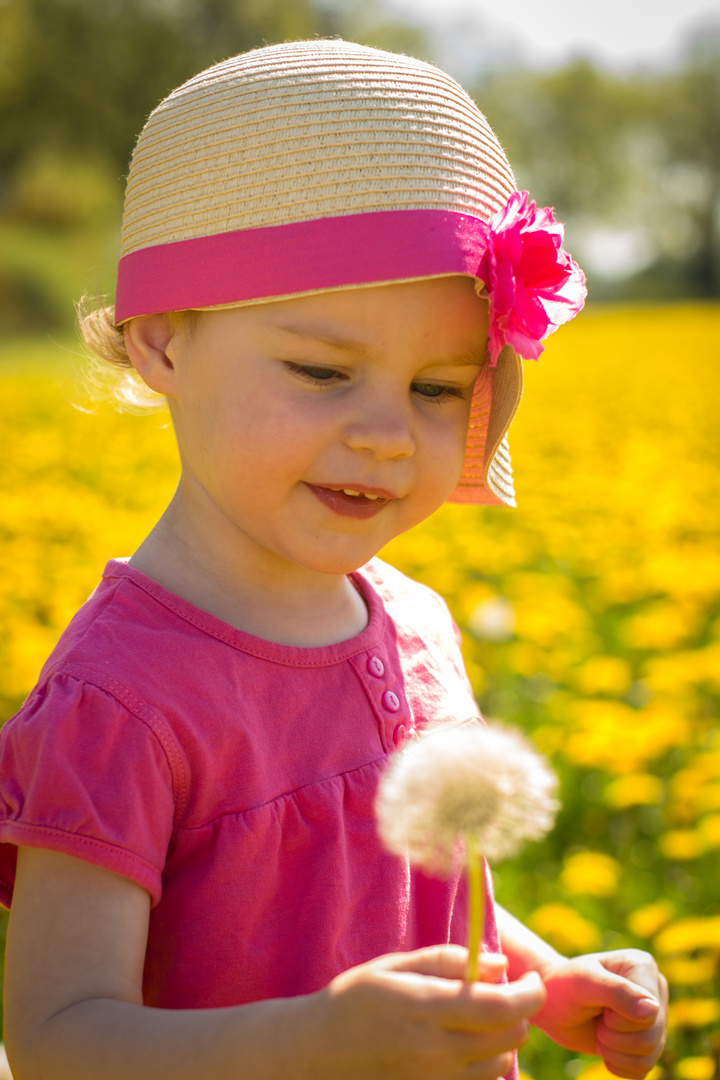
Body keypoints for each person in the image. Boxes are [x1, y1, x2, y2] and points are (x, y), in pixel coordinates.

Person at [0, 39, 666, 1080]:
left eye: (438, 388)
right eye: (322, 370)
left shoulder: (419, 627)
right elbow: (57, 1040)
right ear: (165, 341)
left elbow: (410, 904)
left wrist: (544, 980)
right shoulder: (119, 702)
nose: (389, 436)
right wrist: (316, 1042)